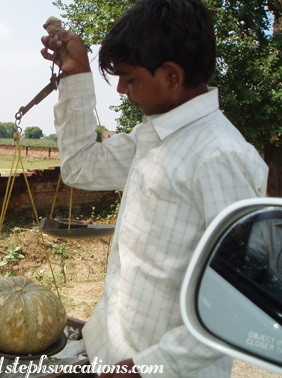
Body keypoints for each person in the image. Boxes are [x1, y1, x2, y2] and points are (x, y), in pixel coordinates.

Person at [40, 0, 269, 377]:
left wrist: (142, 368)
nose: (121, 89)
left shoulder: (219, 156)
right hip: (110, 355)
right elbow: (82, 165)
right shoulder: (155, 135)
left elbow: (238, 303)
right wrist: (77, 73)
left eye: (130, 79)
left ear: (171, 76)